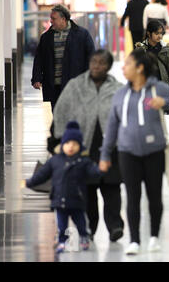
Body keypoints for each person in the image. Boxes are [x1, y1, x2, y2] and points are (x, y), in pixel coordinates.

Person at [99, 49, 169, 255]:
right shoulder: (120, 95)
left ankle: (154, 237)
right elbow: (112, 128)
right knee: (132, 197)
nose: (123, 68)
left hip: (154, 152)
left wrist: (166, 102)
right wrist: (105, 155)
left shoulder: (158, 89)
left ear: (140, 68)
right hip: (127, 153)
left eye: (128, 64)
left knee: (154, 197)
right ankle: (134, 240)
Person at [53, 49, 125, 243]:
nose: (96, 66)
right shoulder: (75, 86)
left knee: (111, 187)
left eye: (101, 63)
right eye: (94, 62)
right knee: (87, 189)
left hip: (111, 146)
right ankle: (89, 227)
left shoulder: (117, 88)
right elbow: (61, 111)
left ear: (109, 67)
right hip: (84, 145)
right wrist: (57, 138)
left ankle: (115, 225)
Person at [26, 121, 102, 254]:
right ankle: (62, 242)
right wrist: (30, 182)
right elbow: (42, 175)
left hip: (77, 200)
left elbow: (93, 171)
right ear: (62, 145)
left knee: (81, 223)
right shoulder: (55, 161)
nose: (70, 147)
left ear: (80, 146)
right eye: (67, 143)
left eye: (74, 144)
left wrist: (100, 169)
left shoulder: (83, 161)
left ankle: (84, 236)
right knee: (61, 225)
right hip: (59, 201)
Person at [31, 4, 95, 111]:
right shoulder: (46, 37)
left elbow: (91, 57)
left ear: (63, 19)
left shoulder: (82, 35)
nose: (51, 21)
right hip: (54, 85)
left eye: (54, 18)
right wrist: (36, 78)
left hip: (75, 84)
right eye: (51, 18)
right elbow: (39, 59)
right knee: (57, 115)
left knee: (73, 115)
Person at [135, 20, 169, 91]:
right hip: (146, 89)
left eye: (161, 33)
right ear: (149, 33)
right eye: (157, 33)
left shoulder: (165, 49)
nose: (160, 36)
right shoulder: (141, 50)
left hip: (163, 87)